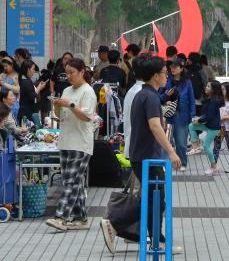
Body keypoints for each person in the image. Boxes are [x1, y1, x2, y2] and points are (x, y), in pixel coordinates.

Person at [103, 54, 182, 255]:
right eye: (164, 73)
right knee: (156, 199)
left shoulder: (142, 94)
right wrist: (172, 152)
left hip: (142, 154)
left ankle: (158, 240)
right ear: (155, 75)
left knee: (152, 198)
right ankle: (116, 223)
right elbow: (155, 126)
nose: (167, 76)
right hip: (147, 156)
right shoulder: (150, 97)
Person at [46, 58, 97, 232]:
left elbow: (87, 117)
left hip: (81, 143)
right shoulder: (67, 90)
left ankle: (61, 216)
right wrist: (58, 106)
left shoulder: (88, 91)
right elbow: (60, 117)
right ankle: (81, 218)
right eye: (66, 73)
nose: (68, 76)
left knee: (70, 182)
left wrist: (70, 104)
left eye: (71, 73)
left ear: (82, 72)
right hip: (66, 141)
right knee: (75, 182)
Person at [159, 58, 195, 169]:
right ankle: (164, 164)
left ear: (181, 68)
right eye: (171, 67)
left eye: (175, 67)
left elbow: (191, 99)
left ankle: (182, 163)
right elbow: (158, 98)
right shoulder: (166, 80)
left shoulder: (187, 82)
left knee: (181, 142)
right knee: (166, 140)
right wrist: (166, 96)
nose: (173, 69)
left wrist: (192, 115)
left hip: (182, 115)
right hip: (168, 115)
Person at [188, 80, 224, 176]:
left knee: (206, 146)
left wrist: (199, 121)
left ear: (214, 89)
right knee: (191, 126)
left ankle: (214, 166)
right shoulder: (210, 99)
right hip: (209, 124)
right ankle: (196, 146)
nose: (206, 87)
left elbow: (209, 115)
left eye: (208, 86)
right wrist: (199, 120)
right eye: (206, 86)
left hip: (214, 127)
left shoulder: (214, 100)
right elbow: (207, 115)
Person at [212, 82, 229, 173]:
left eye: (223, 89)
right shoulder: (217, 101)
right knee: (216, 147)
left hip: (228, 129)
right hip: (218, 128)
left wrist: (225, 117)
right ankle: (213, 165)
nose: (221, 91)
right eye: (221, 89)